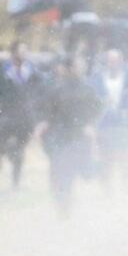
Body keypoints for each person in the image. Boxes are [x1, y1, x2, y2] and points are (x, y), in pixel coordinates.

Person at [38, 56, 102, 216]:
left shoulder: (87, 89)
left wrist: (90, 125)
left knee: (79, 171)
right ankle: (63, 208)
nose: (81, 69)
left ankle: (71, 203)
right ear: (69, 69)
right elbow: (47, 112)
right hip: (61, 137)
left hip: (79, 137)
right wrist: (44, 124)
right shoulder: (56, 90)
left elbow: (97, 110)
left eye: (81, 66)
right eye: (77, 66)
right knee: (60, 174)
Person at [89, 49, 128, 192]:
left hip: (123, 124)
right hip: (104, 124)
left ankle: (126, 189)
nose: (113, 63)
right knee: (106, 158)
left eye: (116, 60)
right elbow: (91, 98)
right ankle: (107, 190)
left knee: (125, 157)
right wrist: (100, 103)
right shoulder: (97, 78)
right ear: (106, 62)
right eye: (110, 60)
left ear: (121, 61)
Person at [0, 41, 41, 187]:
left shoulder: (31, 69)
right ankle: (0, 153)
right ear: (13, 53)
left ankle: (16, 179)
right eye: (21, 51)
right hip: (8, 112)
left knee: (20, 148)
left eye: (26, 51)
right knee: (1, 139)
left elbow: (39, 86)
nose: (24, 54)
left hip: (26, 114)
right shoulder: (3, 70)